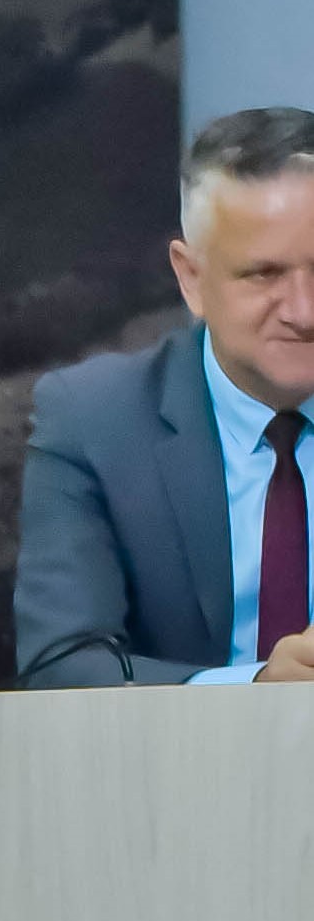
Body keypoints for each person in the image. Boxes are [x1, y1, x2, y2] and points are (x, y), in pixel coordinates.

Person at [16, 107, 314, 687]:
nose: (304, 311)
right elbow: (63, 667)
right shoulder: (93, 422)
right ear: (191, 278)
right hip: (174, 747)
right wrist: (255, 690)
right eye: (264, 274)